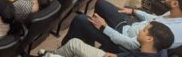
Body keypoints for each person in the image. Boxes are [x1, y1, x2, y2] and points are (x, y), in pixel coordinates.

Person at [61, 0, 182, 53]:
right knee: (101, 4)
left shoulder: (166, 33)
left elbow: (132, 45)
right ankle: (87, 42)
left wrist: (104, 28)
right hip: (133, 28)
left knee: (81, 20)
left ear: (175, 3)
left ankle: (65, 52)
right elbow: (155, 18)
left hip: (124, 44)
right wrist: (135, 11)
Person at [42, 21, 174, 57]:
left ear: (150, 39)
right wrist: (117, 56)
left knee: (73, 45)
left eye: (144, 30)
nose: (140, 31)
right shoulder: (157, 50)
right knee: (74, 43)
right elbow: (132, 53)